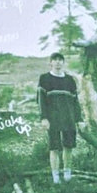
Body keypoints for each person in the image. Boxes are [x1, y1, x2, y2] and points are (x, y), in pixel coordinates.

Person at [37, 51, 82, 183]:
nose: (58, 62)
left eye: (60, 60)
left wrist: (79, 119)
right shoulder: (44, 78)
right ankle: (55, 176)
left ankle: (67, 173)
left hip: (69, 118)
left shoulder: (70, 80)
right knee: (54, 147)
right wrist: (44, 118)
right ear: (50, 63)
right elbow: (41, 101)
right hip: (53, 118)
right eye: (55, 60)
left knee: (68, 146)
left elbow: (75, 102)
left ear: (63, 63)